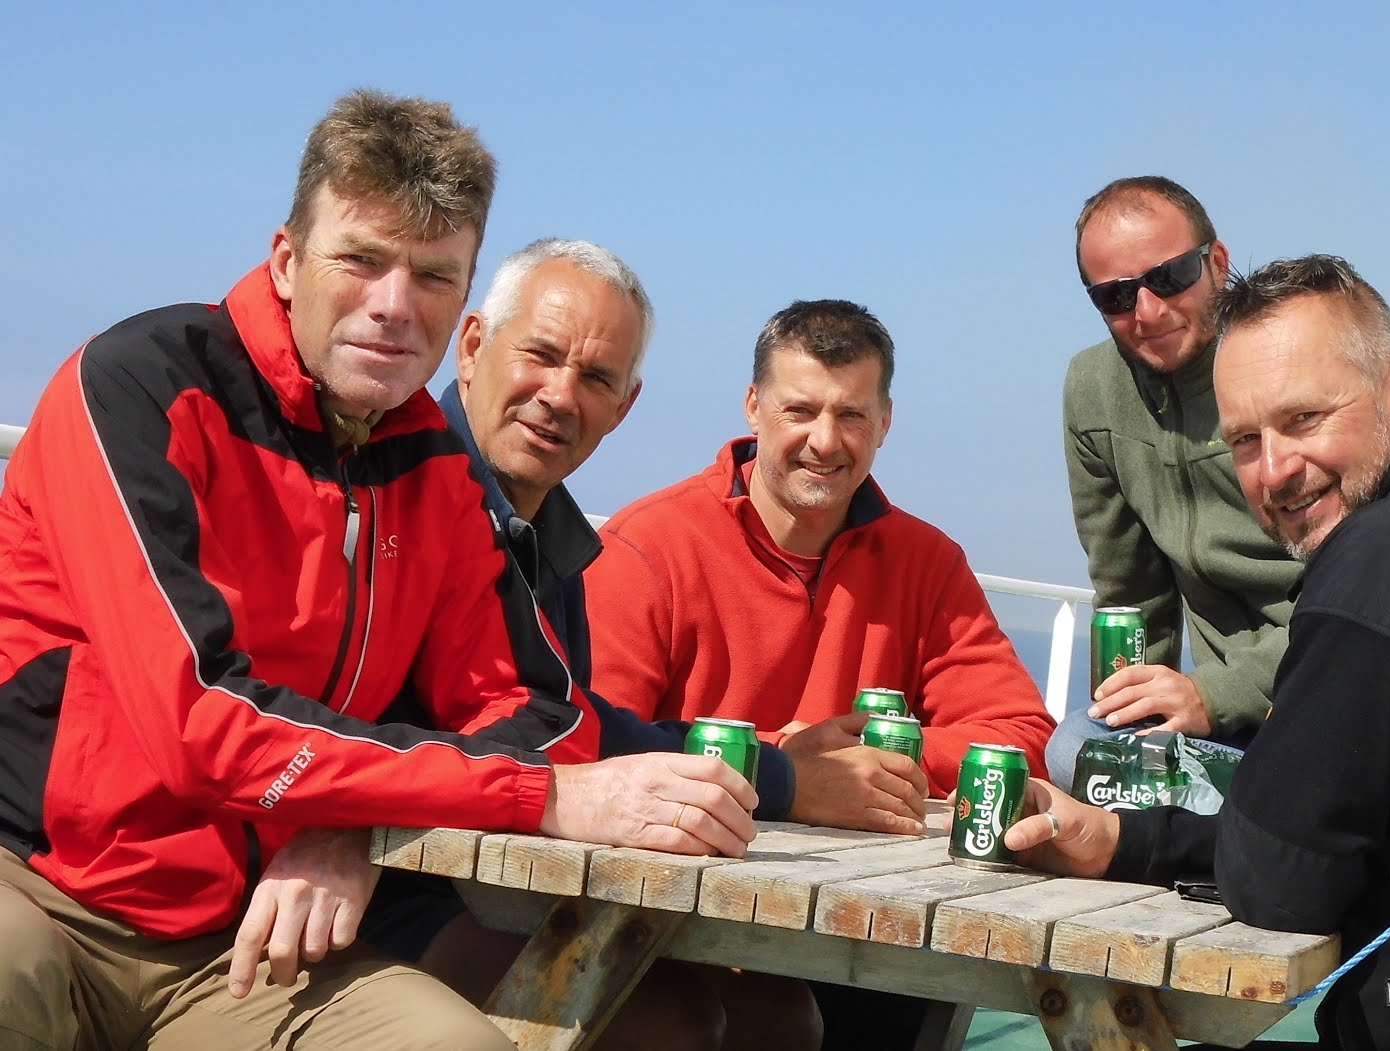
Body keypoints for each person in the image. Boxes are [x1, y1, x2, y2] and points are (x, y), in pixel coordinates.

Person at [0, 90, 756, 1051]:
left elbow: (544, 716)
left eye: (434, 275)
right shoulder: (140, 388)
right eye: (361, 258)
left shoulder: (431, 466)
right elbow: (201, 722)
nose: (396, 306)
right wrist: (536, 798)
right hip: (37, 886)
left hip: (245, 942)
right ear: (287, 261)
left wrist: (354, 826)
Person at [1008, 255, 1390, 1049]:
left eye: (1305, 418)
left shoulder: (1381, 561)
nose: (1276, 469)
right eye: (1244, 440)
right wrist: (1123, 839)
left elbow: (1281, 879)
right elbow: (1320, 827)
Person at [356, 238, 820, 1049]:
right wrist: (783, 776)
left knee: (780, 1016)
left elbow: (567, 721)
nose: (560, 396)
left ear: (623, 407)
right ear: (472, 346)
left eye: (597, 378)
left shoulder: (548, 533)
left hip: (498, 878)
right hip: (376, 882)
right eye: (540, 355)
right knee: (669, 1024)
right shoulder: (394, 483)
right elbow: (543, 731)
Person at [583, 298, 1055, 1049]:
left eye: (852, 415)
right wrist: (789, 768)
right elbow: (593, 743)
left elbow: (1020, 736)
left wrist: (875, 766)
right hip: (662, 921)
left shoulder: (927, 561)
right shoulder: (648, 545)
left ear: (885, 422)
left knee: (913, 994)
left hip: (865, 927)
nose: (825, 441)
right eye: (800, 410)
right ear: (754, 406)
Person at [1049, 176, 1301, 786]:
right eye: (1115, 296)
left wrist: (1219, 694)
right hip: (1221, 721)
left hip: (1330, 684)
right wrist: (1132, 717)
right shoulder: (1094, 389)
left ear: (1219, 262)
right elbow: (1129, 593)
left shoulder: (1284, 365)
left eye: (1168, 277)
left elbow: (1360, 596)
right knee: (1076, 748)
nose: (1148, 311)